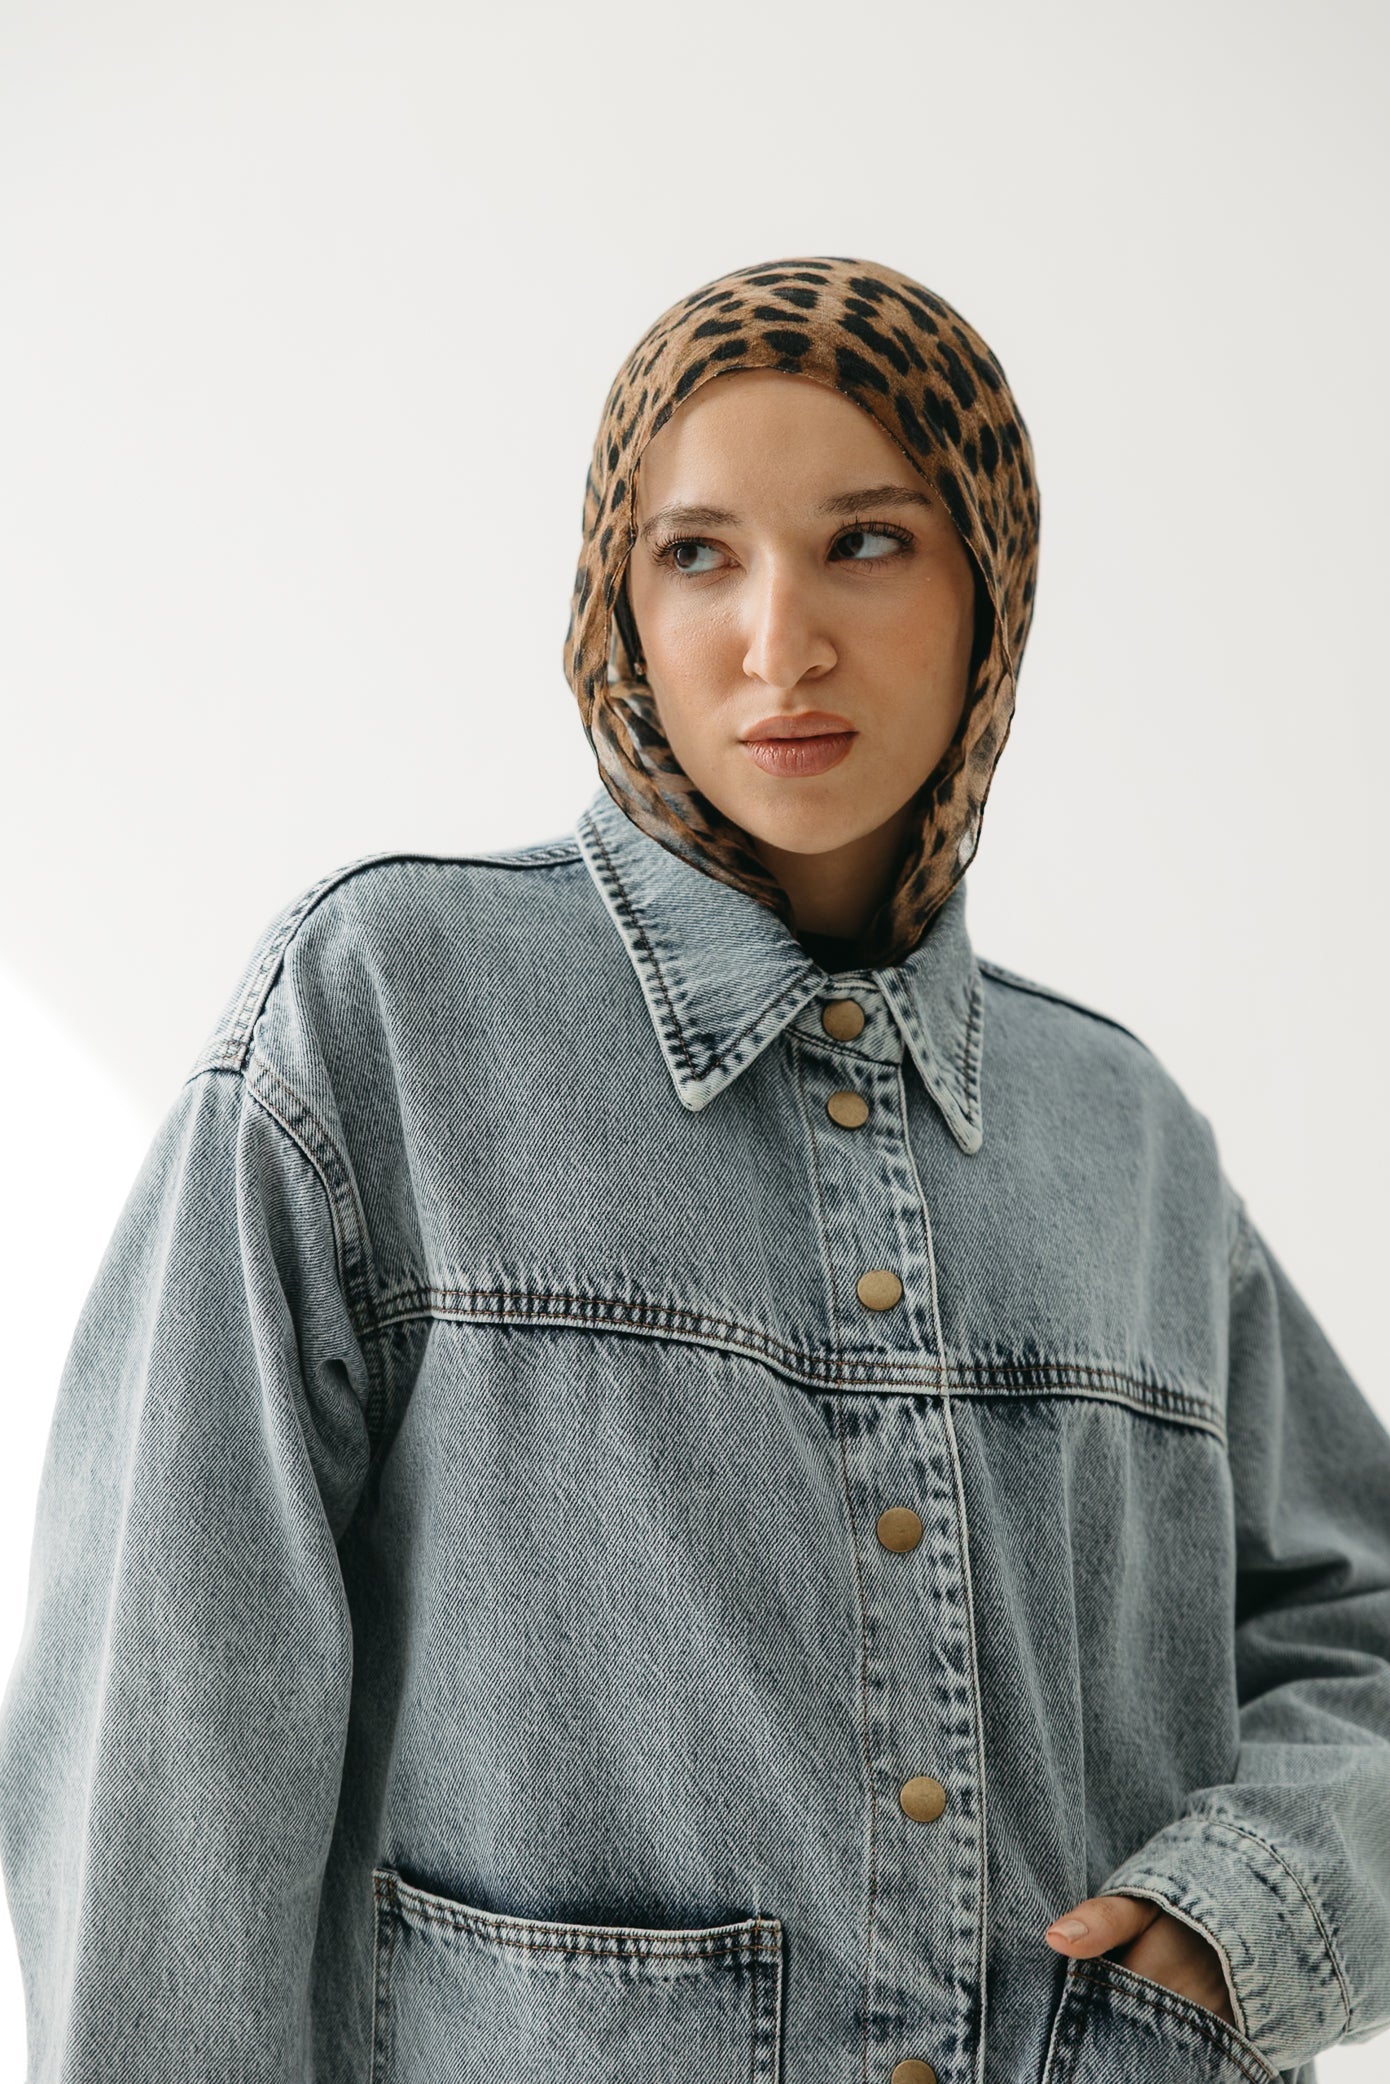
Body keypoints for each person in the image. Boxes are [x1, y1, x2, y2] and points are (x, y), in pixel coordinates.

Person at [0, 254, 1385, 2084]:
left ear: (990, 582)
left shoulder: (1120, 1133)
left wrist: (1249, 1913)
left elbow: (1360, 1625)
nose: (777, 641)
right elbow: (171, 1725)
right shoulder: (387, 1013)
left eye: (867, 544)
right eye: (698, 554)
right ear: (617, 596)